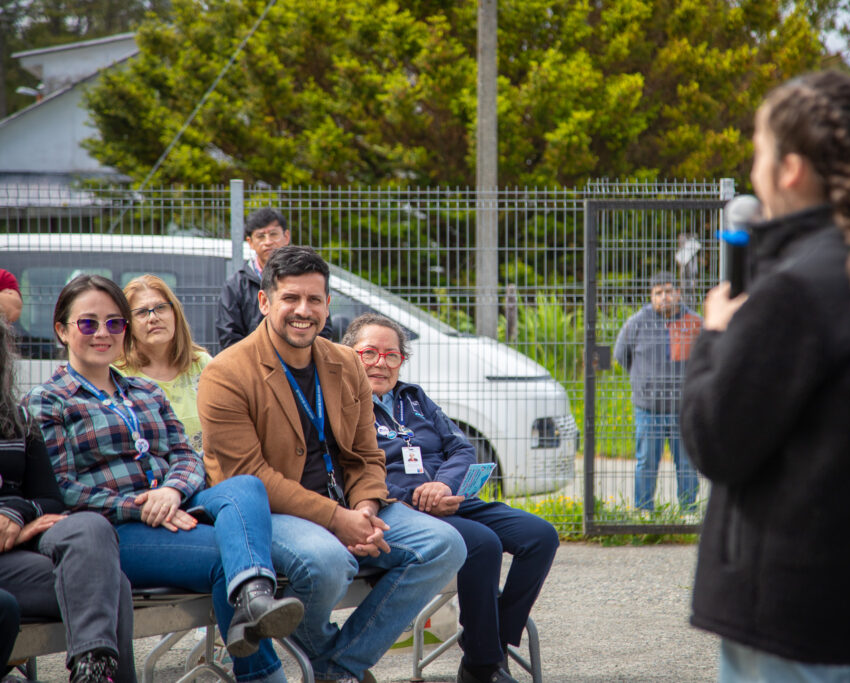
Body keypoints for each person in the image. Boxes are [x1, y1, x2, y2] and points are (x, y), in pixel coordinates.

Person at [679, 70, 850, 682]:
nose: (754, 170)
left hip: (794, 623)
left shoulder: (793, 294)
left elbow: (715, 441)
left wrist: (717, 334)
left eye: (759, 151)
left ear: (789, 169)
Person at [198, 246, 466, 683]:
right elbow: (250, 478)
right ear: (264, 301)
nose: (303, 311)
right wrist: (339, 521)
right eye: (290, 298)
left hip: (349, 504)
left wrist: (365, 510)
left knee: (446, 545)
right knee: (328, 562)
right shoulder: (226, 373)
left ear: (327, 305)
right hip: (270, 512)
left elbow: (366, 455)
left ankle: (336, 668)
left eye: (314, 299)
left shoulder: (345, 363)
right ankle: (336, 667)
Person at [23, 274, 305, 683]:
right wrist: (142, 507)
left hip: (176, 505)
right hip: (114, 530)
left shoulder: (145, 391)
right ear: (62, 331)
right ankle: (261, 665)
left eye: (114, 323)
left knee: (246, 486)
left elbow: (186, 455)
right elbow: (63, 489)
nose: (103, 333)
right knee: (229, 558)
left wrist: (171, 491)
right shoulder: (48, 401)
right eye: (88, 323)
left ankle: (254, 600)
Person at [342, 313, 558, 683]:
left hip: (449, 497)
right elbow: (353, 469)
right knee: (482, 543)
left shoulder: (414, 398)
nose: (382, 363)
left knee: (540, 536)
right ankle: (483, 665)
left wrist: (443, 485)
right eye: (369, 353)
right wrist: (416, 499)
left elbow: (461, 448)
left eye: (392, 355)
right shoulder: (343, 405)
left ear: (402, 360)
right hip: (399, 509)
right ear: (349, 356)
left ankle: (492, 644)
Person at [0, 319, 136, 683]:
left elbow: (49, 498)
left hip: (19, 547)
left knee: (91, 528)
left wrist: (18, 514)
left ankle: (93, 669)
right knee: (113, 586)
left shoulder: (16, 418)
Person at [613, 271, 702, 512]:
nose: (664, 297)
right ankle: (644, 511)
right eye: (658, 293)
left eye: (669, 291)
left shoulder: (694, 322)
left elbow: (707, 357)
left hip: (683, 408)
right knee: (646, 463)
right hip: (648, 408)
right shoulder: (636, 323)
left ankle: (688, 511)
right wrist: (644, 381)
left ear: (678, 293)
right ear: (651, 296)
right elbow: (621, 355)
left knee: (687, 463)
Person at [117, 275, 212, 455]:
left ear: (175, 313)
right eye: (142, 312)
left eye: (160, 308)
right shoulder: (117, 373)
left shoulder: (202, 364)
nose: (153, 318)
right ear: (128, 324)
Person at [216, 208, 333, 348]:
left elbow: (323, 327)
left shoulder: (308, 276)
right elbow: (229, 334)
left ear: (286, 236)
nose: (268, 242)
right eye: (260, 236)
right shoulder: (236, 285)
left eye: (273, 234)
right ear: (250, 242)